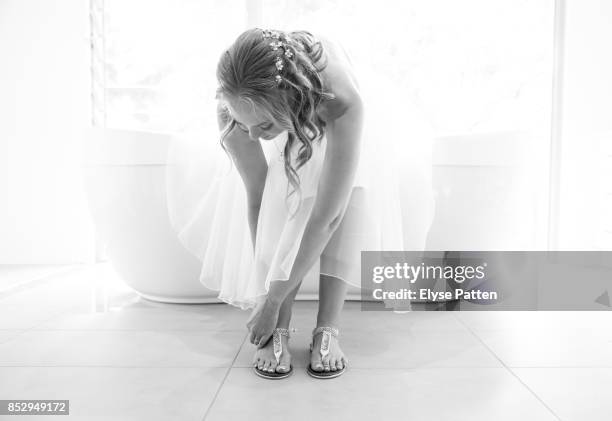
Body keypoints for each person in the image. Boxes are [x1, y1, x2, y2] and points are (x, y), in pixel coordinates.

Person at [167, 27, 435, 380]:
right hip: (291, 110)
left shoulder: (342, 102)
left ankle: (327, 329)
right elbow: (258, 199)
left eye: (262, 126)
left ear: (288, 103)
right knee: (281, 197)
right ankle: (281, 327)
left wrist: (273, 299)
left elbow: (329, 217)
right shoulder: (235, 113)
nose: (252, 137)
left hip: (328, 109)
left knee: (346, 198)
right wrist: (268, 297)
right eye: (245, 126)